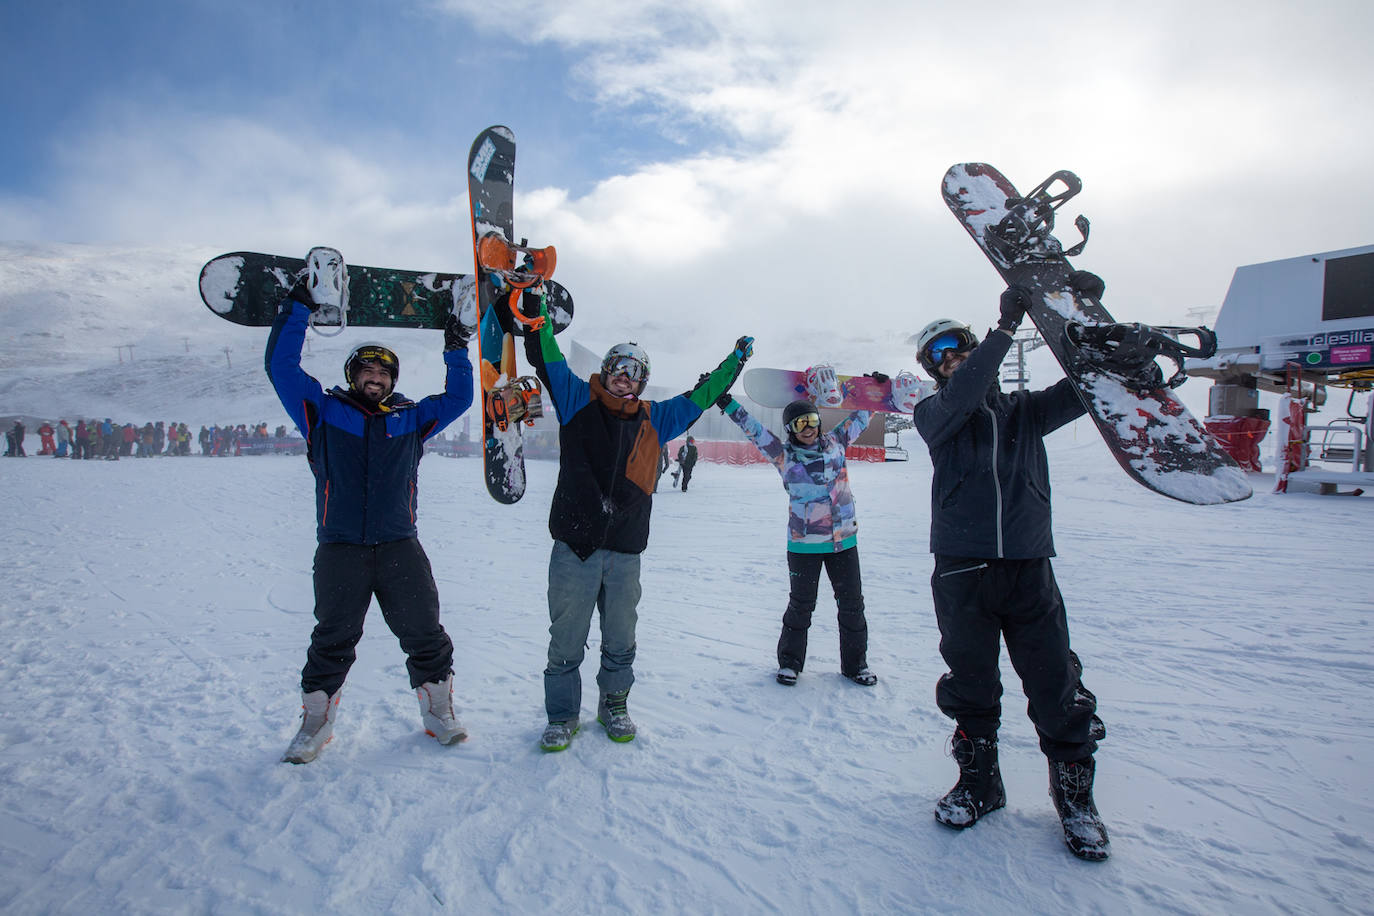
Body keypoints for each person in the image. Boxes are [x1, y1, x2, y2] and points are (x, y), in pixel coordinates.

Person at [911, 274, 1110, 861]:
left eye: (959, 346)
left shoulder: (1025, 411)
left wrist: (1091, 338)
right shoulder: (936, 414)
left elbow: (1084, 390)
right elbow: (967, 393)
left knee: (1055, 686)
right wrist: (1004, 331)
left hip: (1029, 567)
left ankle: (1075, 800)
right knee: (971, 685)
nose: (953, 358)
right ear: (933, 369)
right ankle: (981, 783)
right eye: (940, 355)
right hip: (961, 571)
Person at [265, 247, 475, 764]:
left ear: (393, 380)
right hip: (341, 548)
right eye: (367, 369)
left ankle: (439, 712)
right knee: (332, 639)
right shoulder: (323, 411)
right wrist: (299, 307)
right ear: (354, 373)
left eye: (384, 372)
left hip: (400, 544)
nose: (375, 377)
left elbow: (459, 399)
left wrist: (456, 345)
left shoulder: (409, 419)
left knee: (425, 632)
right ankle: (315, 723)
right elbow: (281, 369)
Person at [522, 293, 752, 751]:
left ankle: (614, 705)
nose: (624, 378)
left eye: (634, 372)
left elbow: (701, 397)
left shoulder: (657, 419)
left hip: (626, 551)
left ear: (643, 382)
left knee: (620, 637)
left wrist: (734, 363)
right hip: (575, 547)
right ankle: (563, 716)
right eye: (618, 368)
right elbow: (548, 354)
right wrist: (538, 313)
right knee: (566, 640)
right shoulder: (575, 399)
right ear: (606, 371)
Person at [719, 395, 878, 687]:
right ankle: (790, 662)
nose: (808, 427)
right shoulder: (783, 454)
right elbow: (753, 429)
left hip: (844, 541)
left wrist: (874, 391)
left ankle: (856, 665)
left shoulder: (837, 441)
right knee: (801, 604)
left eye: (812, 420)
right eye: (800, 422)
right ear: (791, 428)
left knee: (852, 604)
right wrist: (729, 405)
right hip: (804, 543)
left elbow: (862, 416)